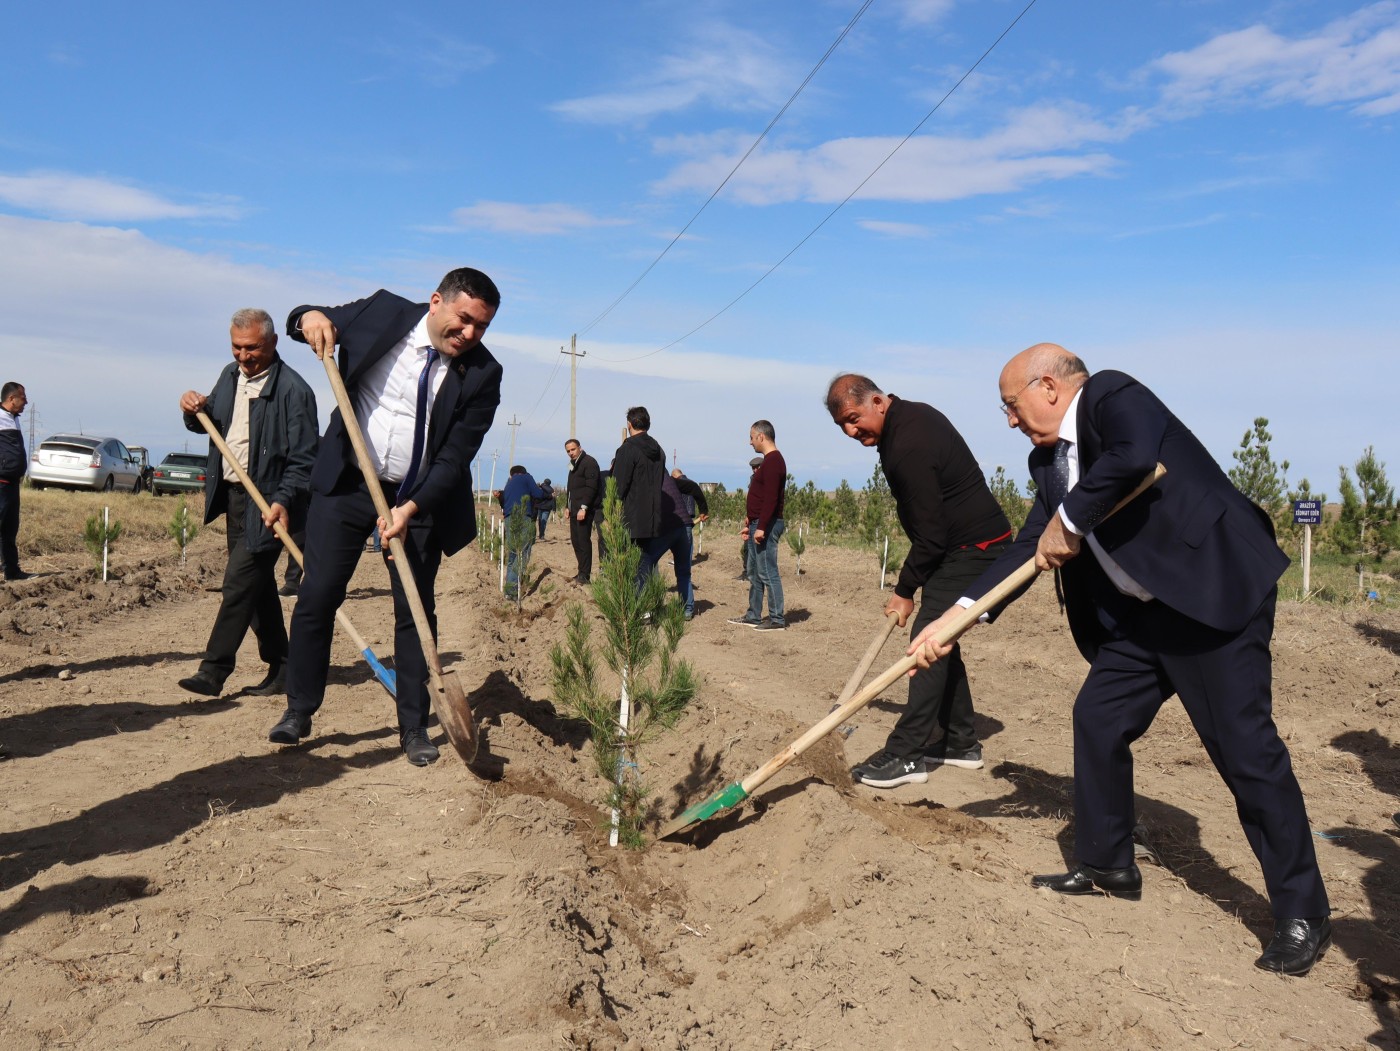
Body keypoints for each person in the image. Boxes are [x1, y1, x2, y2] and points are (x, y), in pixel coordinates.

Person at [911, 343, 1331, 976]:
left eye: (1010, 404)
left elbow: (1134, 458)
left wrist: (1072, 520)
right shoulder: (1046, 463)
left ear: (1048, 386)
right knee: (1098, 719)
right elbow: (1030, 546)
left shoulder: (1111, 395)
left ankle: (1302, 912)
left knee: (1245, 750)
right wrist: (954, 617)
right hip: (1143, 616)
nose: (1009, 420)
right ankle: (1108, 862)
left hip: (1211, 598)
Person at [271, 267, 502, 766]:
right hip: (349, 483)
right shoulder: (383, 313)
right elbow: (305, 319)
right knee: (317, 595)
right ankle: (299, 710)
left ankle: (414, 726)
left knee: (414, 614)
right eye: (464, 320)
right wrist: (308, 318)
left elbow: (455, 456)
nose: (469, 335)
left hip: (419, 499)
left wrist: (411, 507)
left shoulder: (484, 374)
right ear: (436, 301)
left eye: (481, 327)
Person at [827, 374, 1013, 788]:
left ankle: (908, 754)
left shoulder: (909, 441)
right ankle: (961, 742)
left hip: (975, 549)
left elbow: (930, 534)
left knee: (927, 641)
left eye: (854, 419)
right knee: (942, 639)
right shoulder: (906, 421)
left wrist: (905, 589)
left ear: (877, 401)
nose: (850, 431)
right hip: (961, 547)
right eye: (842, 425)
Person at [176, 309, 318, 698]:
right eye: (237, 347)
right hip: (236, 498)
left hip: (270, 504)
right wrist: (193, 409)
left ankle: (213, 670)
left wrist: (283, 501)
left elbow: (303, 460)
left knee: (238, 584)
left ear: (272, 343)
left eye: (251, 348)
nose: (243, 356)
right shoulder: (229, 376)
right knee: (257, 589)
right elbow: (211, 421)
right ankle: (284, 666)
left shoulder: (294, 391)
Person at [728, 421, 786, 630]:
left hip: (767, 525)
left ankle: (777, 619)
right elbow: (763, 497)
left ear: (761, 436)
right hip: (758, 524)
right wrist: (751, 522)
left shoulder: (773, 461)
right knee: (755, 572)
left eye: (752, 437)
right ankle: (754, 615)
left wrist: (761, 526)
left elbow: (771, 498)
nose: (750, 442)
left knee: (768, 571)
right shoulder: (769, 461)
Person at [643, 467, 710, 620]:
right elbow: (693, 486)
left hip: (666, 528)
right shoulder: (673, 481)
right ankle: (687, 610)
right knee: (684, 571)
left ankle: (649, 609)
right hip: (685, 526)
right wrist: (704, 509)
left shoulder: (649, 482)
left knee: (646, 563)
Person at [610, 407, 665, 566]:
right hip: (653, 520)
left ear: (629, 424)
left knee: (630, 571)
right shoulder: (659, 451)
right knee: (646, 566)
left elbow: (618, 486)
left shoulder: (628, 448)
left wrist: (611, 513)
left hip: (630, 521)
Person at [499, 464, 544, 599]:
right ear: (522, 472)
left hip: (508, 518)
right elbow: (538, 494)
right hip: (522, 516)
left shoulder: (509, 483)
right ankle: (513, 591)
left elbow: (503, 501)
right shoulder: (526, 477)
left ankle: (508, 590)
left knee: (513, 553)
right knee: (523, 552)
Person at [0, 382, 31, 581]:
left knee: (10, 529)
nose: (26, 401)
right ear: (11, 398)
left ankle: (12, 572)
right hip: (1, 482)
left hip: (13, 483)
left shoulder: (14, 419)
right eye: (23, 397)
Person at [565, 438, 600, 583]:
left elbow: (591, 487)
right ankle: (581, 571)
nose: (571, 453)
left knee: (583, 541)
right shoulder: (573, 465)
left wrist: (584, 508)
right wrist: (567, 506)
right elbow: (571, 488)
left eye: (573, 449)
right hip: (574, 509)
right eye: (568, 451)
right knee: (575, 540)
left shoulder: (589, 462)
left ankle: (585, 575)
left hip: (584, 509)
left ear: (579, 448)